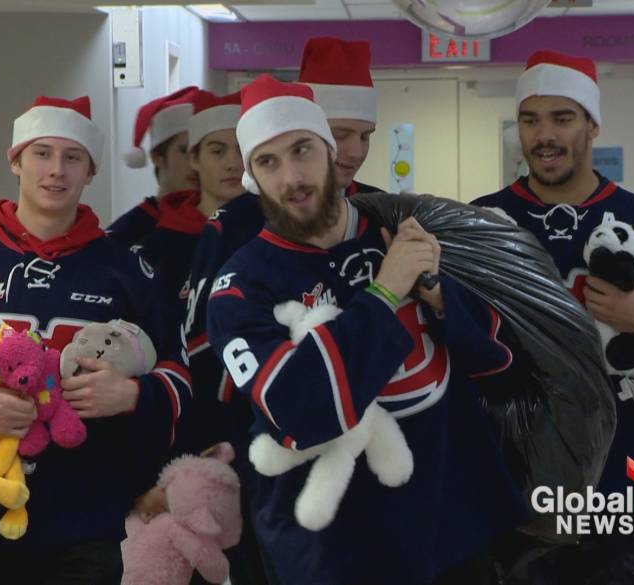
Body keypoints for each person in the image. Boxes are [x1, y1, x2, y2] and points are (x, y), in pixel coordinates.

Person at [205, 73, 527, 585]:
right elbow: (300, 409)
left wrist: (439, 293)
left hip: (451, 525)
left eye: (302, 149)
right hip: (334, 551)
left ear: (332, 151)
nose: (292, 177)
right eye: (268, 162)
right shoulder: (239, 286)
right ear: (253, 179)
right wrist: (385, 292)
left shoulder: (407, 230)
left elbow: (501, 360)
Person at [0, 93, 192, 585]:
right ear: (15, 161)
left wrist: (133, 395)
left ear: (90, 171)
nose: (56, 171)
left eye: (73, 157)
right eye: (42, 154)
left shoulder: (128, 271)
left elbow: (179, 372)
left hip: (86, 516)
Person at [472, 49, 634, 585]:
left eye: (562, 118)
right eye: (530, 119)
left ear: (592, 124)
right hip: (516, 495)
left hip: (620, 495)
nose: (544, 134)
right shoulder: (484, 224)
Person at [135, 90, 243, 321]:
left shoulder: (273, 231)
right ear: (195, 159)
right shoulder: (160, 245)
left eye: (242, 150)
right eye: (217, 151)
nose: (232, 164)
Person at [109, 86, 201, 245]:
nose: (194, 162)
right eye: (184, 150)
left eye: (200, 151)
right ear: (157, 156)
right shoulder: (126, 232)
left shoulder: (219, 223)